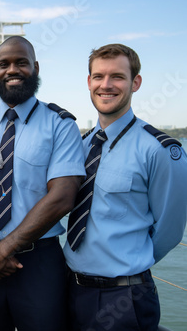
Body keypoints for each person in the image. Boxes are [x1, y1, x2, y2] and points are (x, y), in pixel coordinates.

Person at [0, 35, 85, 331]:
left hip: (37, 261)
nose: (12, 70)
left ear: (35, 67)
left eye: (21, 62)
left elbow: (63, 196)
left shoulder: (61, 125)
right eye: (4, 64)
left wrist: (4, 250)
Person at [63, 43, 187, 331]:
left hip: (124, 297)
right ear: (89, 82)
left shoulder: (159, 150)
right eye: (98, 76)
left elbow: (169, 231)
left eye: (117, 76)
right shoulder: (80, 146)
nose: (106, 85)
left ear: (136, 82)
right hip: (70, 289)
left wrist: (129, 263)